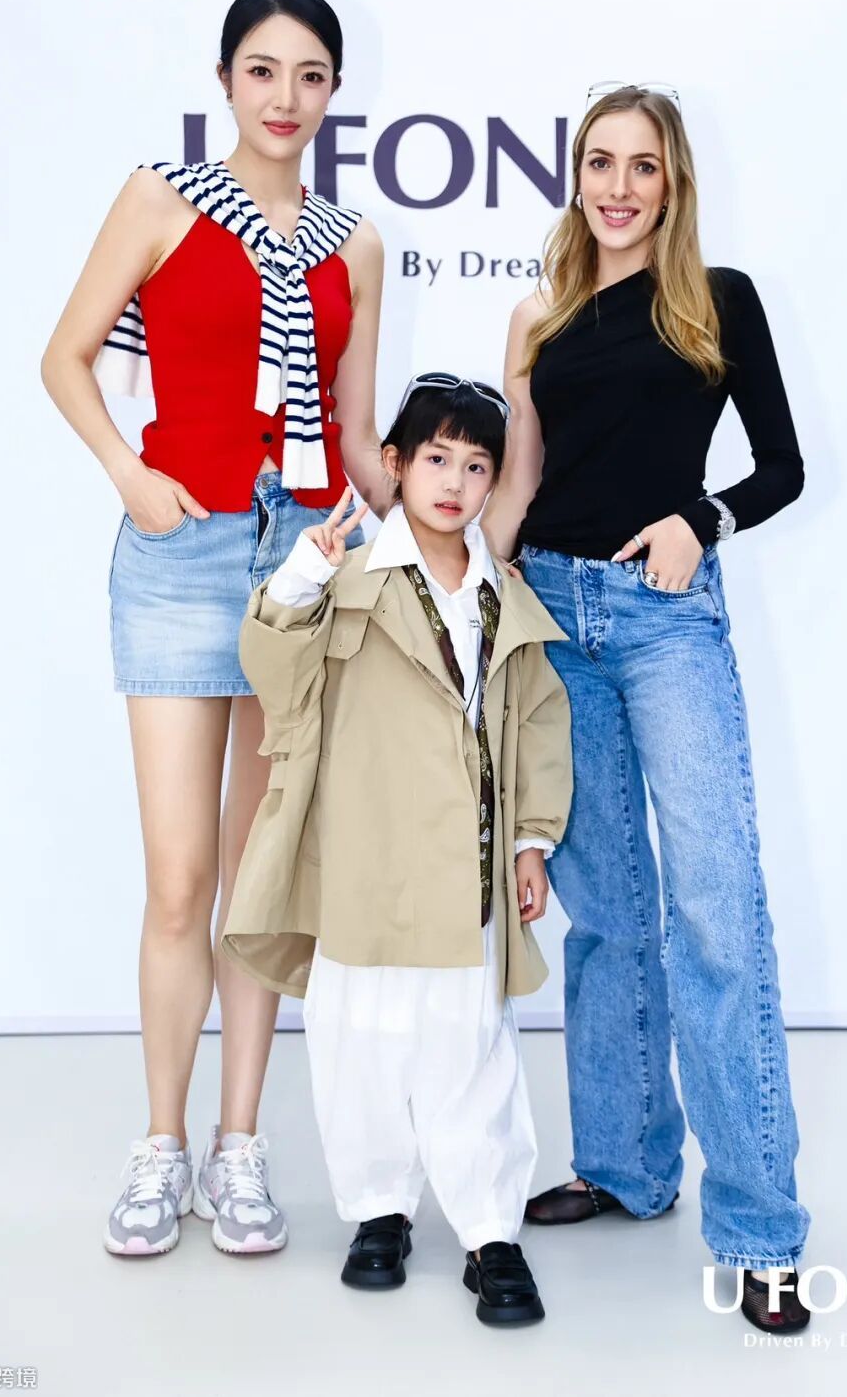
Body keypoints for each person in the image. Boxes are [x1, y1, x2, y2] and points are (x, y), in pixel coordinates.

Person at [40, 0, 389, 1257]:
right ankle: (162, 1143)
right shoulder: (163, 199)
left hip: (302, 561)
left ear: (335, 90)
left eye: (311, 75)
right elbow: (65, 356)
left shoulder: (356, 244)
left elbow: (354, 429)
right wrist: (128, 473)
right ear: (226, 79)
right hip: (179, 552)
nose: (286, 97)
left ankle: (241, 1144)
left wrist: (453, 496)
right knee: (181, 876)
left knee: (260, 880)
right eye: (263, 70)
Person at [481, 82, 813, 1333]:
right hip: (554, 618)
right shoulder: (540, 315)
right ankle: (623, 1165)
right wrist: (453, 584)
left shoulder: (718, 299)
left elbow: (782, 466)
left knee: (717, 910)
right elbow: (518, 483)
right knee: (608, 911)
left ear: (674, 183)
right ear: (576, 176)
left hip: (666, 616)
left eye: (643, 166)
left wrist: (700, 519)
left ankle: (762, 1228)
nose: (618, 187)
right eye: (599, 163)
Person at [220, 376, 573, 1326]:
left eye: (476, 466)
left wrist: (531, 842)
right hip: (366, 863)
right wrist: (298, 578)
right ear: (395, 464)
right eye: (436, 458)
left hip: (467, 869)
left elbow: (538, 720)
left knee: (472, 1044)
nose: (454, 482)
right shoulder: (347, 582)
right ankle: (379, 1210)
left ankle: (491, 1231)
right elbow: (272, 671)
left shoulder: (504, 596)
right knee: (360, 1040)